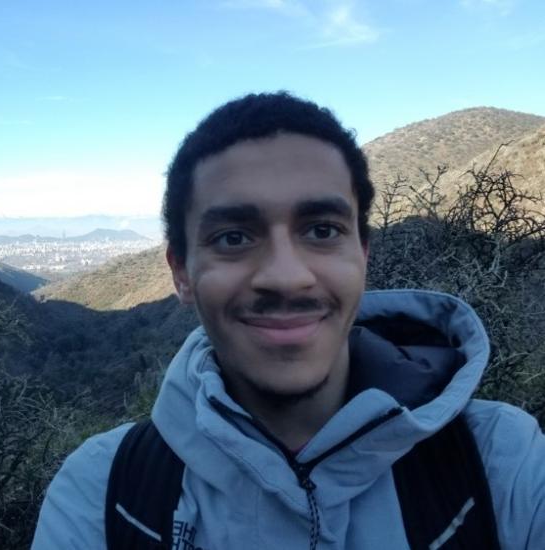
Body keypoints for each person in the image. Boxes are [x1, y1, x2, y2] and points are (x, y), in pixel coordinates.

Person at [31, 92, 545, 549]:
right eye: (234, 237)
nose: (285, 276)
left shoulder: (503, 465)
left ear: (363, 256)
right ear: (182, 273)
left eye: (321, 230)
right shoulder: (104, 493)